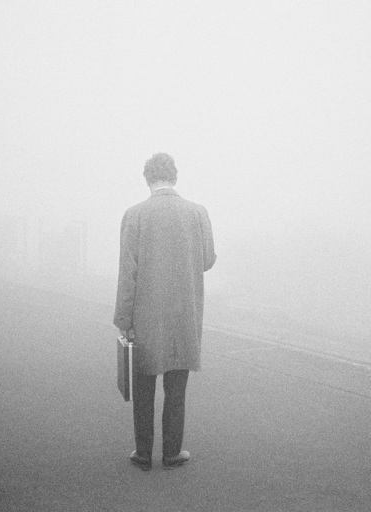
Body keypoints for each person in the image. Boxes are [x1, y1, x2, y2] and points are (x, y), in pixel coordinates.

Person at [114, 153, 216, 471]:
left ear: (147, 179)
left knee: (143, 388)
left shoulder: (134, 215)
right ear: (175, 176)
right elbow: (208, 260)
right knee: (176, 389)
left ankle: (143, 454)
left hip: (145, 317)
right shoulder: (198, 213)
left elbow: (127, 273)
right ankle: (172, 453)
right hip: (184, 315)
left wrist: (123, 319)